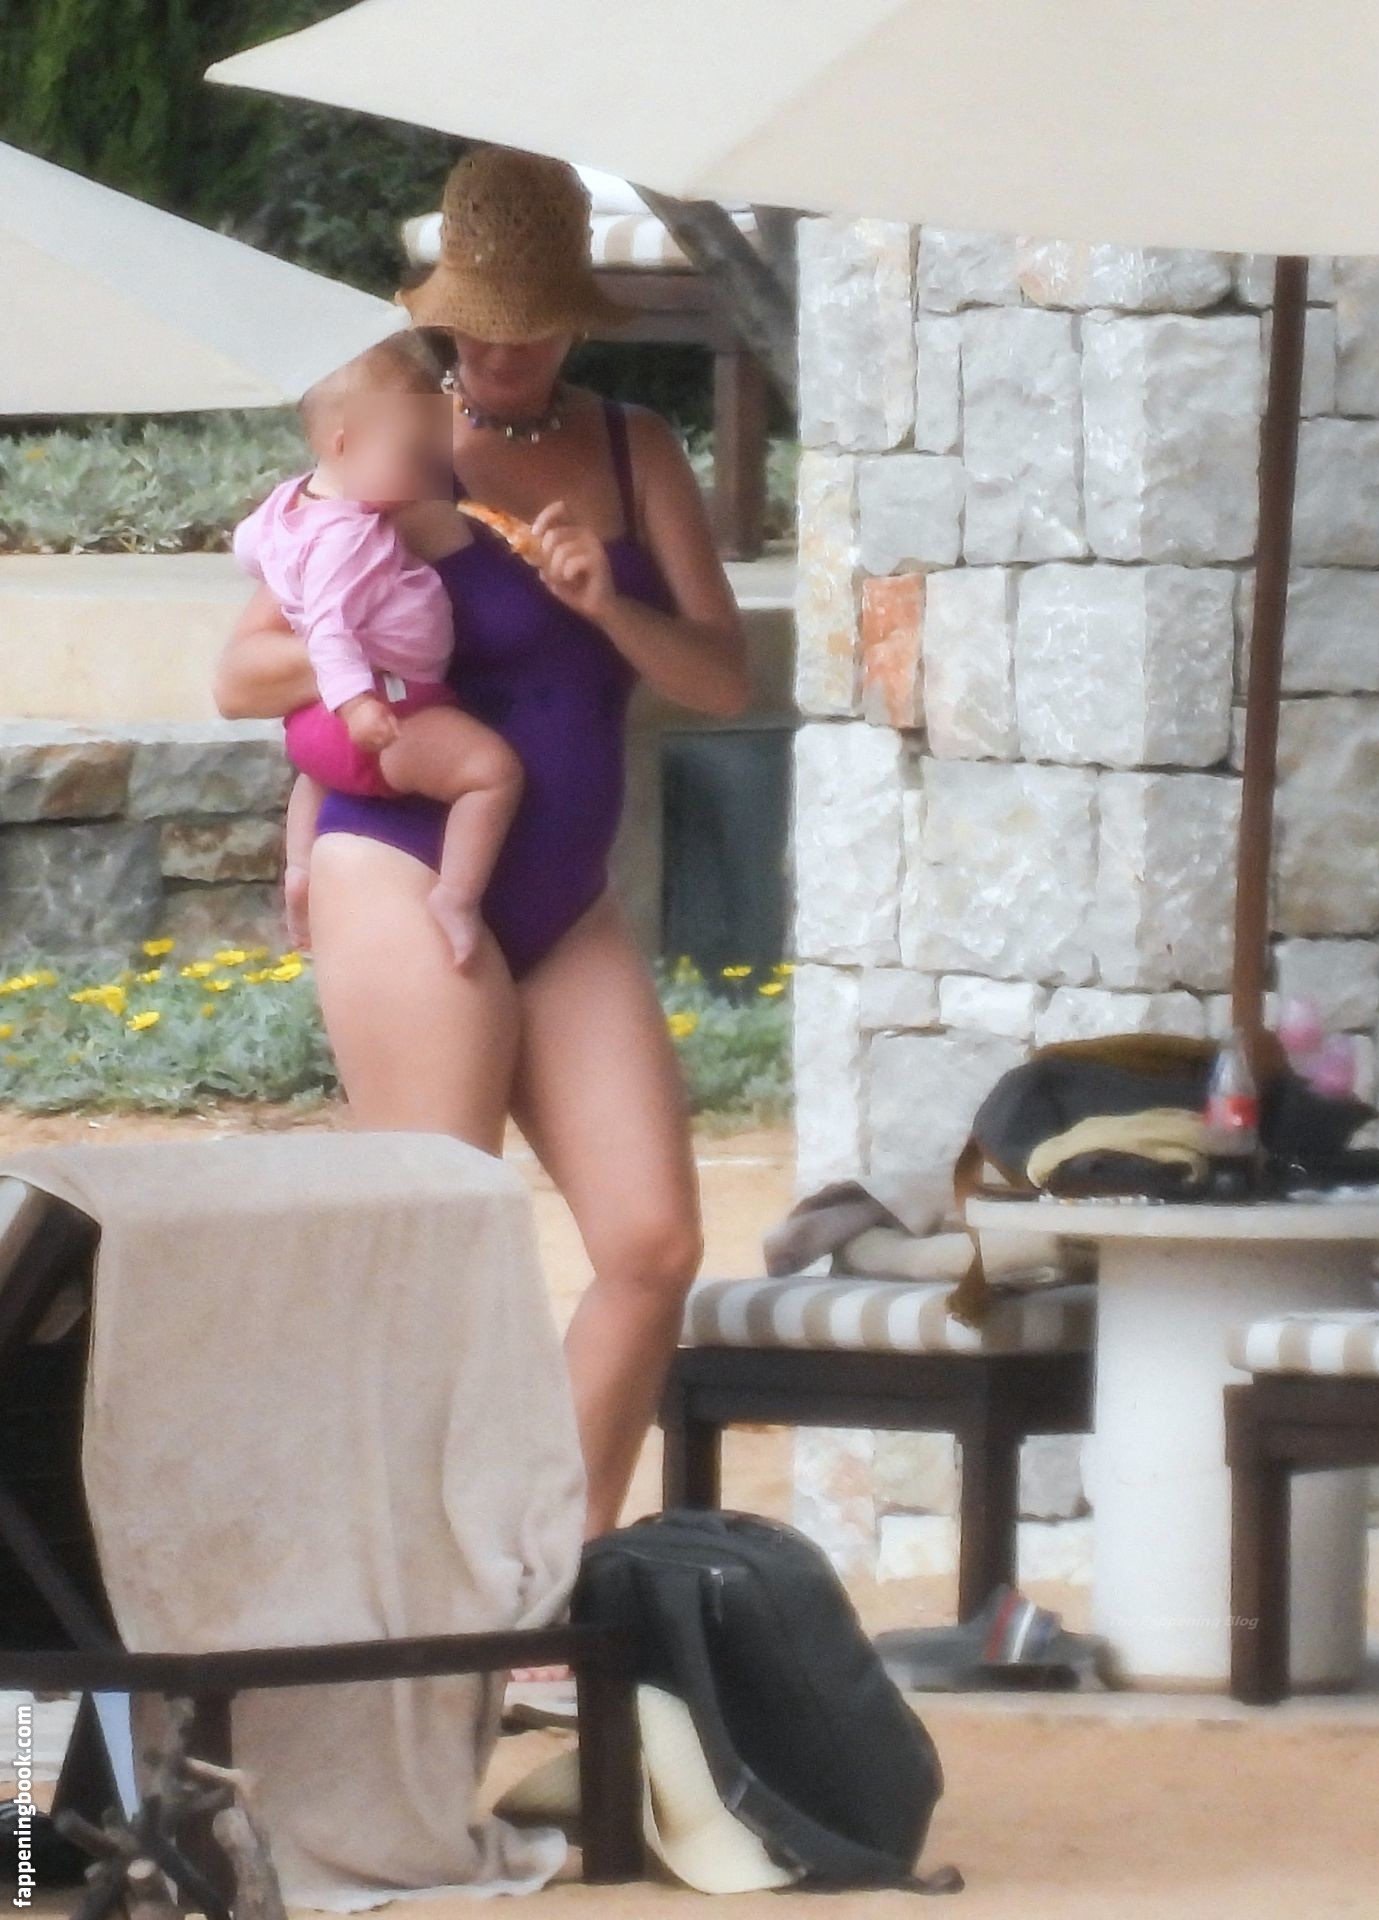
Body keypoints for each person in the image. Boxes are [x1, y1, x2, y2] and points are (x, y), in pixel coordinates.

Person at [214, 144, 751, 1545]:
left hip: (561, 897)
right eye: (477, 326)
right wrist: (387, 641)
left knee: (651, 1245)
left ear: (578, 318)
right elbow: (241, 673)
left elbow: (720, 680)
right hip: (402, 862)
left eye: (531, 325)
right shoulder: (397, 436)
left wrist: (600, 605)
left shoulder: (635, 451)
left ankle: (540, 1584)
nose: (501, 352)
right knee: (445, 1242)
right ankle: (408, 1584)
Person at [234, 333, 524, 967]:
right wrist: (358, 703)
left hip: (312, 732)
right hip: (390, 706)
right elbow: (330, 630)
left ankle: (300, 870)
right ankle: (457, 898)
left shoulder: (288, 509)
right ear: (344, 444)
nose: (426, 473)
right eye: (412, 455)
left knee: (317, 774)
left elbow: (249, 546)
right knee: (492, 773)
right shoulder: (346, 536)